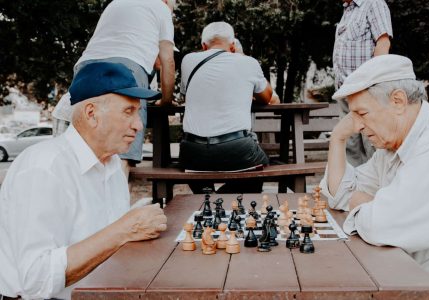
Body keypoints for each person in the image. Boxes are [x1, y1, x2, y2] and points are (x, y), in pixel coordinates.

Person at [320, 54, 429, 300]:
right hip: (412, 280)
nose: (357, 126)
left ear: (398, 101)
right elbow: (339, 195)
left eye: (362, 113)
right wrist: (338, 139)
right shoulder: (392, 145)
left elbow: (384, 225)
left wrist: (364, 203)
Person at [0, 62, 168, 299]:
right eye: (128, 111)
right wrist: (124, 230)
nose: (139, 125)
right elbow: (36, 280)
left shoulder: (111, 164)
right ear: (92, 114)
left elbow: (105, 243)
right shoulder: (44, 168)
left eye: (138, 112)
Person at [54, 0, 177, 178]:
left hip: (86, 67)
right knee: (122, 153)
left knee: (84, 152)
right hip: (128, 67)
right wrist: (166, 101)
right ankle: (116, 204)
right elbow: (168, 61)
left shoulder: (115, 3)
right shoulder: (161, 8)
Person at [178, 22, 279, 194]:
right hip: (237, 149)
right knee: (262, 165)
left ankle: (206, 196)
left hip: (193, 152)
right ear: (232, 46)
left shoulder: (187, 61)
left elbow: (187, 95)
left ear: (203, 46)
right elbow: (267, 97)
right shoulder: (248, 62)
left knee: (194, 164)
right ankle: (220, 199)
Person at [332, 0, 392, 166]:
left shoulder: (374, 3)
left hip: (366, 91)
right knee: (350, 147)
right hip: (345, 91)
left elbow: (383, 43)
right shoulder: (348, 9)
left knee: (372, 145)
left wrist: (374, 84)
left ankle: (376, 190)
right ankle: (354, 190)